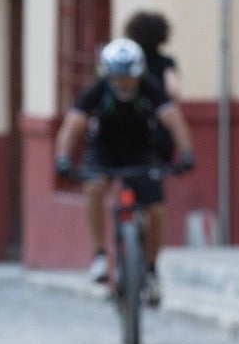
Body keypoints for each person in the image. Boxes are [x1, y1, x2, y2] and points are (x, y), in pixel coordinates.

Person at [54, 38, 196, 305]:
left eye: (129, 77)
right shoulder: (97, 91)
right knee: (94, 188)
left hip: (142, 151)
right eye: (118, 77)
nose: (124, 83)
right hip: (104, 151)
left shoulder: (150, 89)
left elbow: (174, 121)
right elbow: (73, 125)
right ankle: (99, 255)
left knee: (156, 208)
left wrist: (186, 154)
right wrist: (62, 158)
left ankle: (152, 269)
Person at [124, 11, 182, 163]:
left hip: (130, 125)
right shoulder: (166, 62)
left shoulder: (129, 63)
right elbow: (174, 91)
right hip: (158, 128)